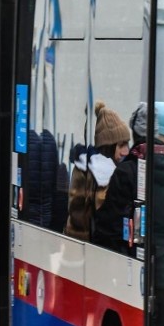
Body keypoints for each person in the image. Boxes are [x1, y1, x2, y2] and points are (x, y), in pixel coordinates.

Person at [64, 100, 130, 241]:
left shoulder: (86, 165)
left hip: (77, 242)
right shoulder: (100, 174)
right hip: (87, 246)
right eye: (121, 145)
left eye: (127, 144)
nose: (126, 151)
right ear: (109, 146)